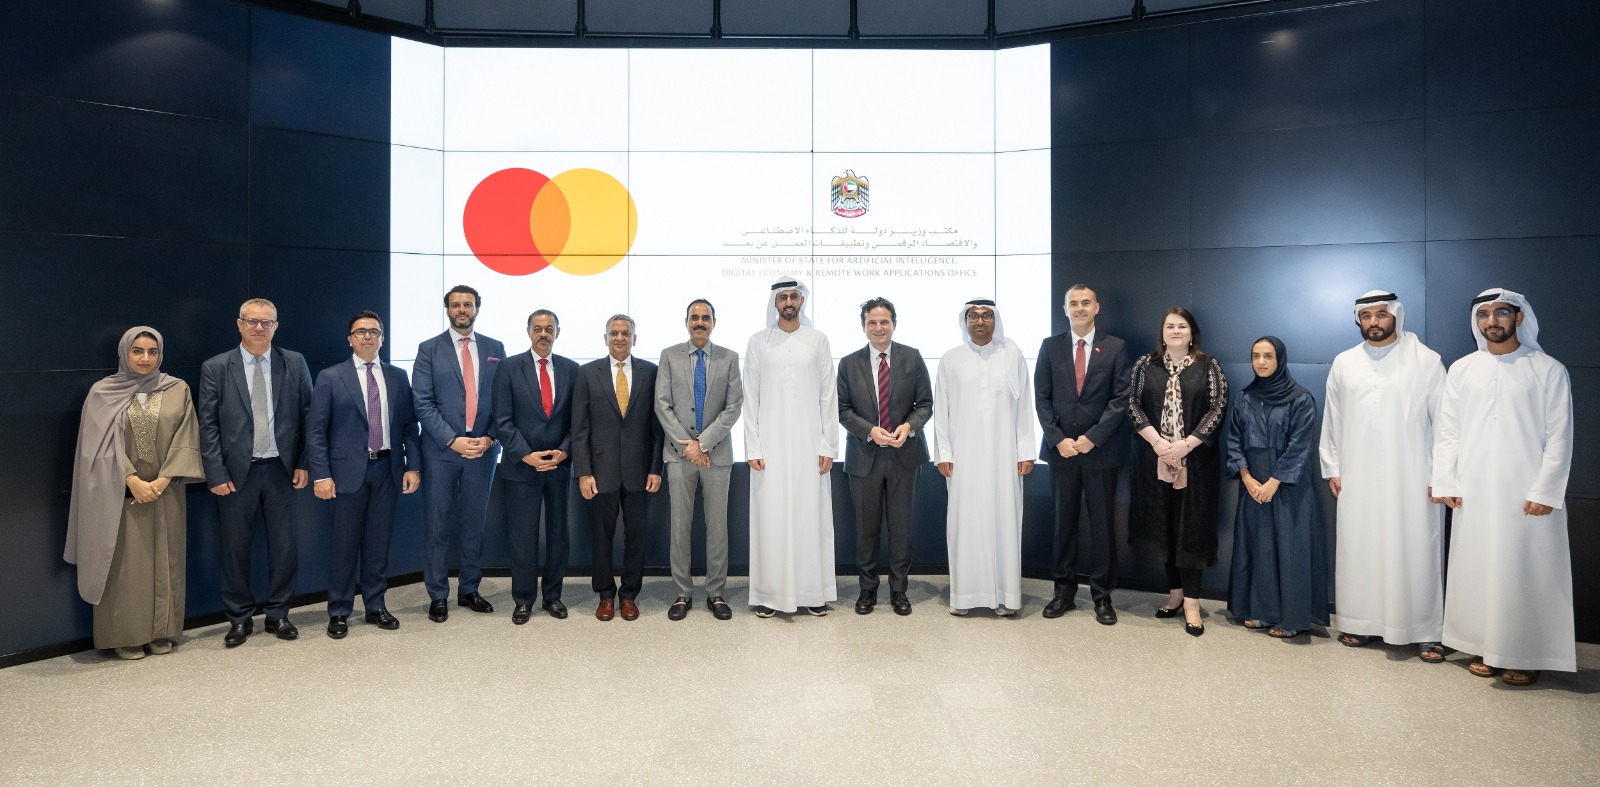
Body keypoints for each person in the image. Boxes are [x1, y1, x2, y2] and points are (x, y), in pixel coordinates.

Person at [1433, 289, 1574, 686]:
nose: (1491, 321)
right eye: (1484, 314)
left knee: (1524, 571)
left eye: (1500, 313)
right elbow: (1448, 432)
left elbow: (1560, 436)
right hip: (1474, 490)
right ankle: (1485, 647)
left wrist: (1545, 490)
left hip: (1525, 491)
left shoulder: (1547, 369)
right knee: (1480, 568)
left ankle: (1525, 654)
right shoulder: (1462, 369)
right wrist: (1445, 479)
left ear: (1519, 317)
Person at [1320, 291, 1448, 663]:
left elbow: (1446, 423)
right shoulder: (1344, 362)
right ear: (1358, 320)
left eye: (1381, 314)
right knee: (1361, 547)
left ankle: (1425, 630)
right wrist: (1332, 466)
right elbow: (1333, 418)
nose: (1374, 322)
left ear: (1395, 316)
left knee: (1415, 548)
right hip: (1357, 475)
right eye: (1366, 316)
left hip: (1413, 477)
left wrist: (1443, 475)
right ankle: (1361, 622)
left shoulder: (1426, 361)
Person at [67, 327, 204, 660]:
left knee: (167, 560)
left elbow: (187, 436)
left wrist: (163, 479)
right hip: (119, 494)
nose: (145, 358)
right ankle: (126, 635)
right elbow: (95, 447)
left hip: (166, 491)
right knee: (125, 565)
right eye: (138, 351)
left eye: (152, 352)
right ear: (124, 353)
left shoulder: (177, 389)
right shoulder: (103, 392)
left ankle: (162, 631)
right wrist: (131, 479)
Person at [198, 298, 314, 647]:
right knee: (235, 549)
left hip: (282, 470)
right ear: (239, 324)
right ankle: (239, 618)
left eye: (267, 322)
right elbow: (207, 426)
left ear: (276, 326)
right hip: (235, 475)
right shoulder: (216, 367)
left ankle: (279, 614)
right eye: (252, 321)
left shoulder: (294, 362)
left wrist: (304, 462)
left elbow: (310, 416)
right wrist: (216, 474)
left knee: (284, 547)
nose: (259, 327)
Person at [305, 311, 422, 639]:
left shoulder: (398, 376)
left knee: (378, 544)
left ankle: (375, 605)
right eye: (360, 332)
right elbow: (316, 430)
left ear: (382, 338)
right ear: (350, 339)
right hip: (345, 474)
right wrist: (321, 474)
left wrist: (413, 465)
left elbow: (409, 426)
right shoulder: (331, 377)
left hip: (387, 470)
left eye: (374, 331)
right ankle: (339, 610)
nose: (367, 336)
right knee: (343, 546)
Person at [1128, 306, 1227, 636]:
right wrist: (1159, 443)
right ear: (1162, 332)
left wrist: (1186, 445)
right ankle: (1174, 594)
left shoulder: (1208, 366)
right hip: (1154, 461)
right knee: (1164, 527)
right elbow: (1133, 404)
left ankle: (1192, 603)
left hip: (1195, 464)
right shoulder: (1145, 365)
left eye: (1182, 326)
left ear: (1192, 333)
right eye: (1170, 326)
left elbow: (1217, 407)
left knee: (1191, 530)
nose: (1175, 331)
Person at [1035, 284, 1131, 625]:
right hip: (1062, 453)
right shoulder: (1050, 347)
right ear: (1065, 310)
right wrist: (1057, 438)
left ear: (1096, 307)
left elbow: (1120, 399)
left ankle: (1102, 597)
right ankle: (1063, 593)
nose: (1080, 308)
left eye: (1085, 302)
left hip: (1100, 452)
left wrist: (1093, 437)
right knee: (1064, 525)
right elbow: (1042, 398)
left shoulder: (1116, 347)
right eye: (1073, 303)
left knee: (1103, 527)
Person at [743, 277, 839, 617]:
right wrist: (753, 447)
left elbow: (828, 395)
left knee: (810, 516)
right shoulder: (758, 342)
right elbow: (751, 397)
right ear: (774, 302)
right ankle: (769, 595)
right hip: (769, 450)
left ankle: (812, 593)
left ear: (801, 301)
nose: (788, 302)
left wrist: (828, 445)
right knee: (771, 519)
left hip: (810, 447)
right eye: (782, 297)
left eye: (793, 297)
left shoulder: (818, 340)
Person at [934, 299, 1036, 617]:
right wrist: (943, 453)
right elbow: (941, 409)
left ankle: (1007, 597)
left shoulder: (1013, 356)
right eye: (974, 316)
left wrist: (1025, 451)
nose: (980, 321)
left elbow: (1024, 406)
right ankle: (965, 596)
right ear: (965, 321)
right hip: (963, 459)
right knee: (965, 524)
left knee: (1005, 521)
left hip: (1005, 458)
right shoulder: (951, 359)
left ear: (995, 320)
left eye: (987, 315)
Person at [412, 285, 505, 623]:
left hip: (482, 451)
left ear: (477, 308)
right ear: (447, 309)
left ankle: (469, 589)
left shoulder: (495, 348)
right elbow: (422, 402)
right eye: (456, 305)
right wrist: (452, 440)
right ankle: (438, 595)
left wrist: (490, 438)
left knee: (474, 525)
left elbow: (503, 399)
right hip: (441, 452)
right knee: (437, 526)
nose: (462, 310)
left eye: (468, 304)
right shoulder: (428, 349)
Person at [1223, 336, 1327, 639]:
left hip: (1289, 488)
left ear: (1279, 359)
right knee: (1259, 546)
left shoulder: (1301, 399)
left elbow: (1299, 446)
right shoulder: (1245, 397)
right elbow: (1234, 440)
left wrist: (1273, 482)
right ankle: (1261, 611)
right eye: (1256, 356)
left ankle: (1292, 619)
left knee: (1291, 549)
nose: (1261, 362)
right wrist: (1247, 478)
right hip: (1254, 485)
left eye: (1268, 356)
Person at [837, 297, 933, 616]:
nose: (879, 328)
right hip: (864, 456)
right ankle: (867, 590)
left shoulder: (912, 357)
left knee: (901, 528)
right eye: (872, 322)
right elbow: (842, 410)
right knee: (866, 528)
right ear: (863, 326)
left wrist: (909, 426)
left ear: (894, 324)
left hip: (904, 455)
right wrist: (869, 431)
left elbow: (925, 404)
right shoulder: (848, 363)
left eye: (884, 322)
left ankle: (898, 590)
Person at [655, 299, 744, 621]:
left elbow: (734, 406)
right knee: (680, 528)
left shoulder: (729, 358)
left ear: (714, 322)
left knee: (717, 528)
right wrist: (688, 447)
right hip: (679, 457)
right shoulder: (669, 356)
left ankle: (716, 593)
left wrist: (702, 444)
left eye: (706, 317)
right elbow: (662, 405)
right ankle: (682, 593)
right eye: (694, 317)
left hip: (716, 457)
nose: (700, 322)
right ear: (686, 321)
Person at [572, 315, 664, 621]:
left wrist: (656, 468)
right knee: (601, 536)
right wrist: (583, 472)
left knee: (636, 536)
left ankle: (629, 595)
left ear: (635, 339)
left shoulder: (651, 372)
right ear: (605, 338)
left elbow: (657, 428)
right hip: (600, 471)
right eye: (614, 333)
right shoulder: (587, 373)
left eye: (626, 333)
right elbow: (580, 428)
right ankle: (605, 595)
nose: (620, 338)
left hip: (640, 470)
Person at [492, 309, 579, 624]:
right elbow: (502, 419)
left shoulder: (572, 369)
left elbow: (578, 420)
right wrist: (526, 454)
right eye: (538, 328)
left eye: (549, 328)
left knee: (558, 535)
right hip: (521, 467)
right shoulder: (508, 368)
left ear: (558, 332)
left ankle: (553, 596)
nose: (544, 333)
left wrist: (564, 452)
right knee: (523, 536)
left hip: (558, 466)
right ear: (528, 331)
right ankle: (523, 599)